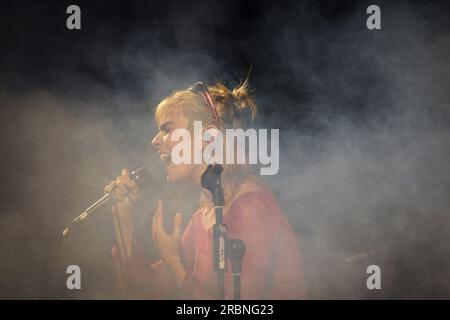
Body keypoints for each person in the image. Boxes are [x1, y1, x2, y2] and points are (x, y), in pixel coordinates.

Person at [104, 80, 306, 299]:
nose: (155, 141)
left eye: (167, 129)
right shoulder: (204, 217)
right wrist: (124, 219)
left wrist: (173, 263)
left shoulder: (253, 209)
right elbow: (145, 291)